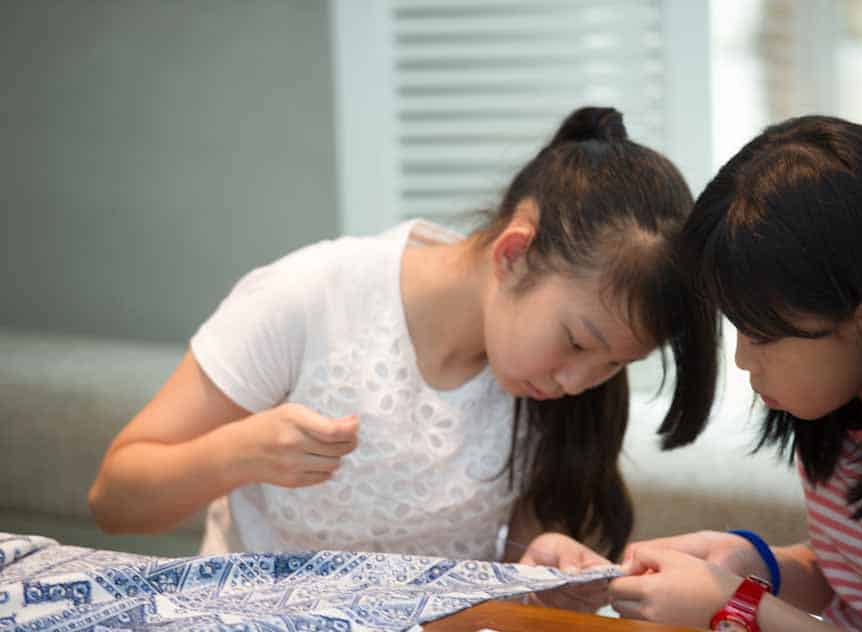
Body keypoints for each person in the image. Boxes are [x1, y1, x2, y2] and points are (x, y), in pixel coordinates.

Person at [87, 106, 719, 564]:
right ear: (514, 253)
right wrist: (238, 454)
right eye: (578, 343)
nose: (578, 381)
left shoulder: (559, 393)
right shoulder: (308, 296)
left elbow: (518, 568)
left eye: (614, 364)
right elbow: (114, 500)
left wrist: (546, 569)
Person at [521, 115, 862, 630]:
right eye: (738, 327)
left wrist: (740, 607)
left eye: (764, 334)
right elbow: (860, 583)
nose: (744, 360)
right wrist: (754, 563)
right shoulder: (841, 414)